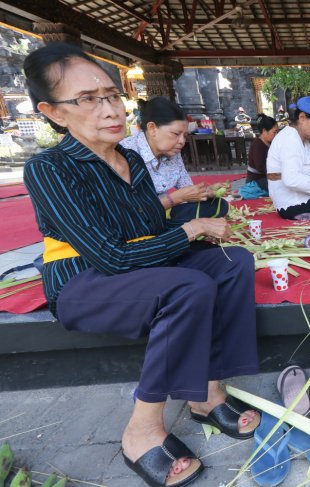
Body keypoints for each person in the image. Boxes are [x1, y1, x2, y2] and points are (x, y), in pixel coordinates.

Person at [23, 43, 261, 486]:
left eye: (112, 95)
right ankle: (142, 430)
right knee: (189, 286)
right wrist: (190, 232)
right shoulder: (49, 168)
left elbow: (151, 230)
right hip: (83, 281)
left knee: (231, 263)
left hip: (137, 266)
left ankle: (207, 395)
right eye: (88, 99)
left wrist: (201, 231)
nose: (110, 109)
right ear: (55, 113)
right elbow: (111, 256)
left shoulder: (131, 158)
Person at [121, 97, 230, 226]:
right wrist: (176, 198)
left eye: (184, 136)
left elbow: (187, 190)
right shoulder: (126, 153)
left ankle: (174, 230)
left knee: (219, 205)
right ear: (152, 128)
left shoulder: (173, 152)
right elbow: (131, 212)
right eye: (175, 134)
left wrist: (209, 192)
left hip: (164, 212)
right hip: (136, 221)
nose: (182, 142)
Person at [246, 113, 279, 192]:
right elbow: (261, 167)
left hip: (267, 176)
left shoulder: (271, 143)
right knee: (281, 183)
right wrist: (278, 175)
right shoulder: (257, 144)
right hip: (256, 180)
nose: (276, 135)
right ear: (264, 131)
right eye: (274, 132)